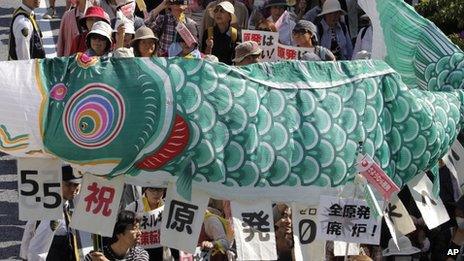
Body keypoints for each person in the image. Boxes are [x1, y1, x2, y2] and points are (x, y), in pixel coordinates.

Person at [24, 166, 82, 261]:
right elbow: (37, 250)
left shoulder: (56, 203)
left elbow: (30, 229)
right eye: (68, 184)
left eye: (76, 185)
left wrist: (24, 255)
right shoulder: (53, 214)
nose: (73, 189)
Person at [84, 210, 149, 261]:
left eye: (139, 228)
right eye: (134, 229)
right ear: (119, 234)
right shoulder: (94, 257)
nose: (139, 233)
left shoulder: (140, 254)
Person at [125, 187, 166, 260]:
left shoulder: (168, 206)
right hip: (139, 253)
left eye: (159, 189)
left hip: (162, 251)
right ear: (145, 190)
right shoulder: (133, 208)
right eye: (152, 189)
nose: (156, 193)